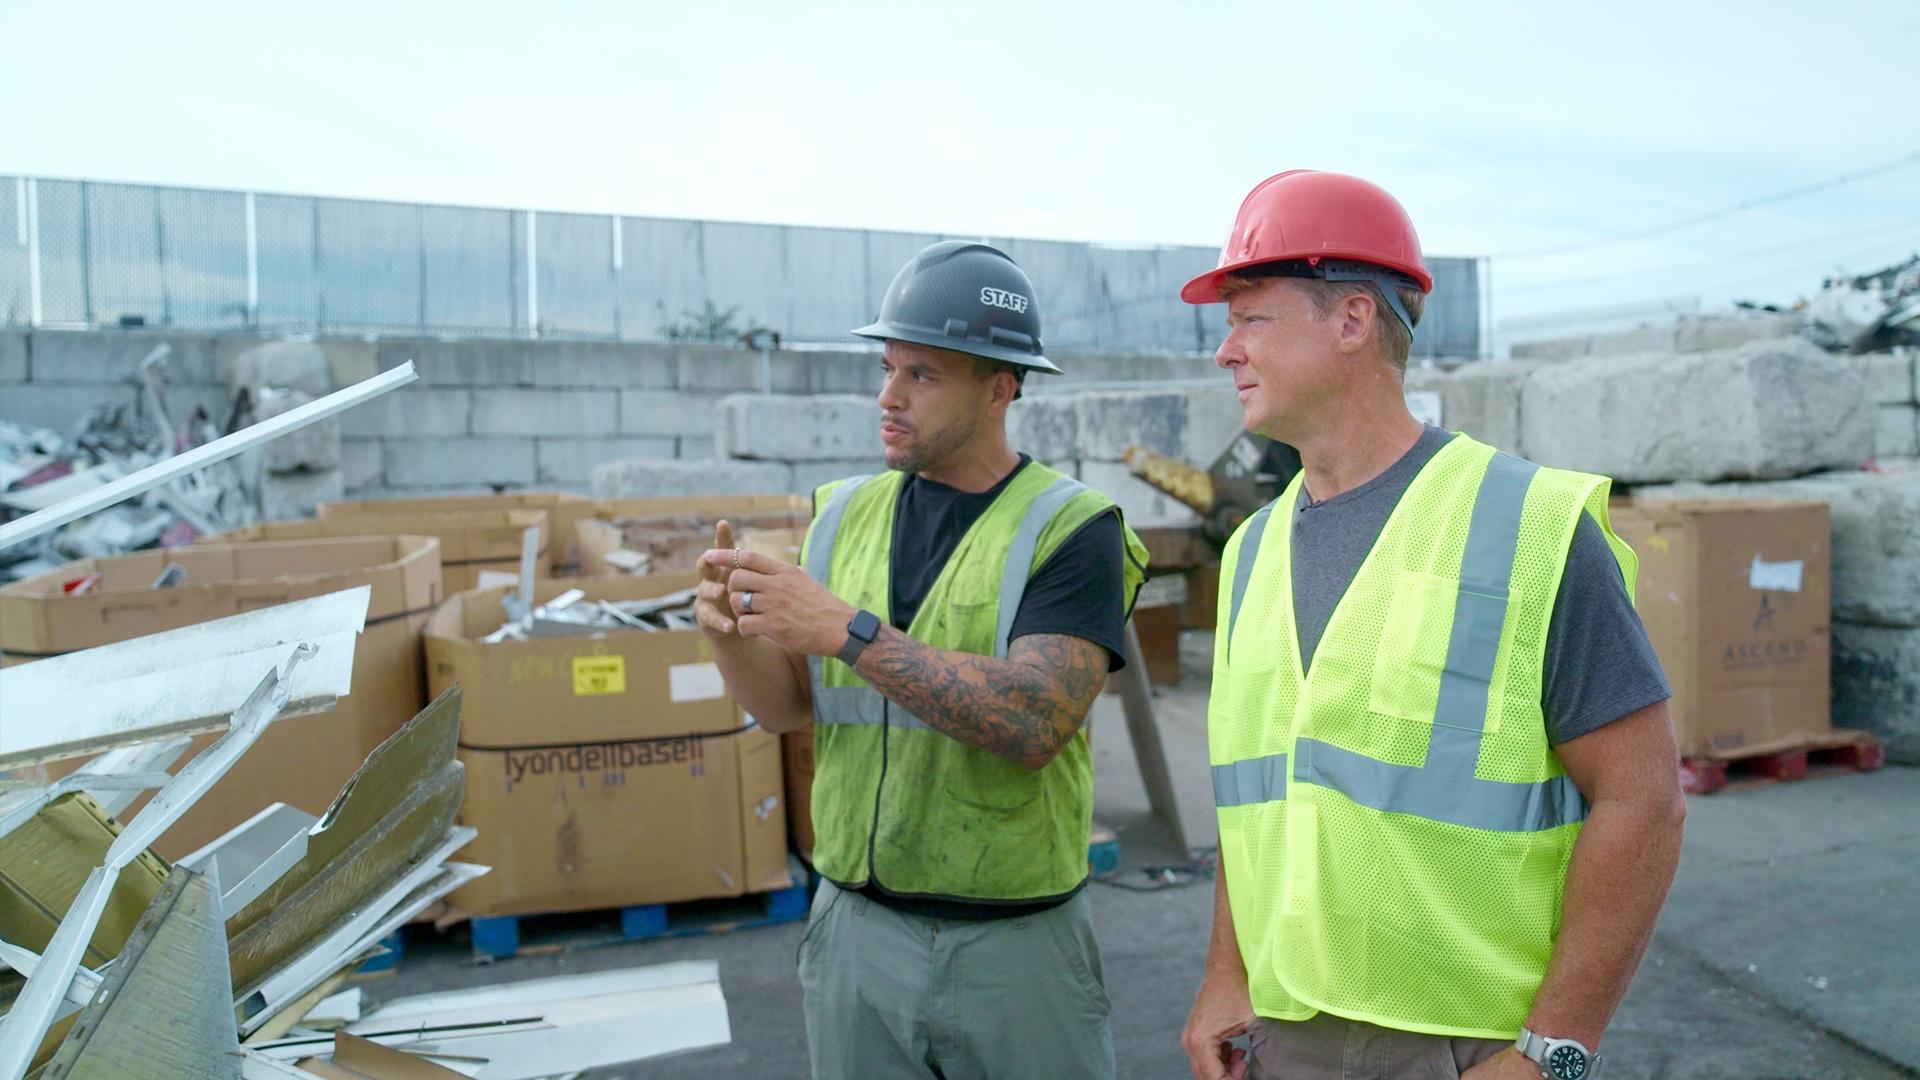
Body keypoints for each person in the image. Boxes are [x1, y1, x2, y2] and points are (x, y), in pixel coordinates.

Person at [1177, 170, 1686, 1080]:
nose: (1226, 351)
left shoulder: (1528, 524)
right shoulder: (1252, 548)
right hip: (1284, 1029)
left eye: (1249, 317)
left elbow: (1643, 799)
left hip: (1467, 1047)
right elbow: (1263, 795)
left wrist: (1556, 1051)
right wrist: (1226, 971)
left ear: (1352, 320)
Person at [692, 239, 1149, 1080]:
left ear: (1001, 388)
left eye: (923, 376)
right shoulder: (841, 514)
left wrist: (845, 630)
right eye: (889, 368)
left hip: (1013, 947)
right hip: (854, 935)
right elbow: (791, 708)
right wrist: (727, 631)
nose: (889, 397)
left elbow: (1033, 719)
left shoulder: (1073, 527)